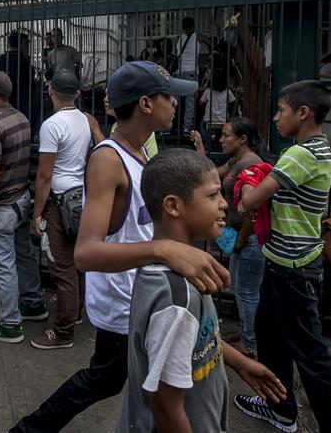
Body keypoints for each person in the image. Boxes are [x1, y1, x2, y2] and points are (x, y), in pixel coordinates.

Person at [11, 60, 229, 433]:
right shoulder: (109, 159)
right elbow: (85, 254)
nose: (174, 104)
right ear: (145, 104)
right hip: (124, 303)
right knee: (113, 380)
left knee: (119, 380)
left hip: (144, 295)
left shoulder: (141, 152)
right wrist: (163, 251)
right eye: (168, 96)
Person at [119, 148, 286, 432]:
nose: (224, 204)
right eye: (212, 195)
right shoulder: (176, 300)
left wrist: (238, 362)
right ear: (174, 206)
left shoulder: (182, 269)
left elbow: (197, 339)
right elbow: (166, 408)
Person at [235, 80, 331, 433]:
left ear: (303, 113)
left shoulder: (301, 154)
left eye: (281, 110)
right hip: (283, 262)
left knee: (312, 356)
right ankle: (281, 408)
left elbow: (251, 200)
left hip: (293, 269)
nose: (275, 118)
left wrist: (247, 180)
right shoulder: (316, 149)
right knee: (270, 338)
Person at [0, 70, 47, 343]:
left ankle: (10, 323)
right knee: (23, 255)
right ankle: (34, 303)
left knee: (2, 266)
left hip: (1, 205)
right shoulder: (21, 117)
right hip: (21, 200)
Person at [190, 117, 273, 359]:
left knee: (247, 292)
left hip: (249, 239)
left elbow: (253, 211)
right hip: (241, 237)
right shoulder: (237, 160)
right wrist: (200, 147)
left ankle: (250, 343)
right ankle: (246, 333)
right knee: (240, 288)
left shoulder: (250, 164)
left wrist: (241, 240)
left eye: (226, 135)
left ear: (242, 139)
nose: (221, 139)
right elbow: (211, 175)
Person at [30, 70, 93, 350]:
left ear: (50, 91)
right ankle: (75, 313)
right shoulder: (86, 120)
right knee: (76, 262)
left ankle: (63, 332)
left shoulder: (51, 125)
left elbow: (45, 175)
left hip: (58, 202)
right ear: (77, 93)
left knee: (62, 267)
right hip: (81, 198)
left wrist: (37, 213)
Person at [173, 17, 211, 137]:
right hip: (191, 72)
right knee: (190, 101)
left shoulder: (178, 38)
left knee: (174, 100)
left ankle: (168, 125)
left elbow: (175, 53)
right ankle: (186, 128)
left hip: (178, 72)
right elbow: (211, 43)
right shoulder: (198, 37)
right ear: (193, 26)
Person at [0, 31, 41, 126]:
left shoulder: (0, 60)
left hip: (3, 103)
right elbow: (31, 85)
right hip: (22, 104)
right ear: (21, 44)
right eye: (26, 44)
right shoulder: (24, 62)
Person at [198, 66, 236, 150]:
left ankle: (207, 144)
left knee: (201, 126)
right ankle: (218, 143)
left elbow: (201, 102)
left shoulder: (208, 91)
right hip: (223, 120)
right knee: (220, 131)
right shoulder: (228, 92)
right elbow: (233, 101)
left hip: (209, 120)